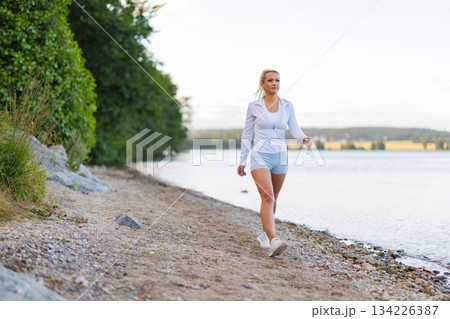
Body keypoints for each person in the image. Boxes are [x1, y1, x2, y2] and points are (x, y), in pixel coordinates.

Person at [237, 69, 312, 257]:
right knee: (268, 197)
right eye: (270, 80)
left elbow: (294, 127)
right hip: (260, 155)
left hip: (280, 157)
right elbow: (247, 133)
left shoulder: (287, 105)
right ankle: (272, 240)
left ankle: (264, 234)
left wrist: (303, 138)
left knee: (273, 199)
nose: (274, 83)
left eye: (277, 80)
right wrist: (242, 160)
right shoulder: (254, 106)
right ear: (262, 84)